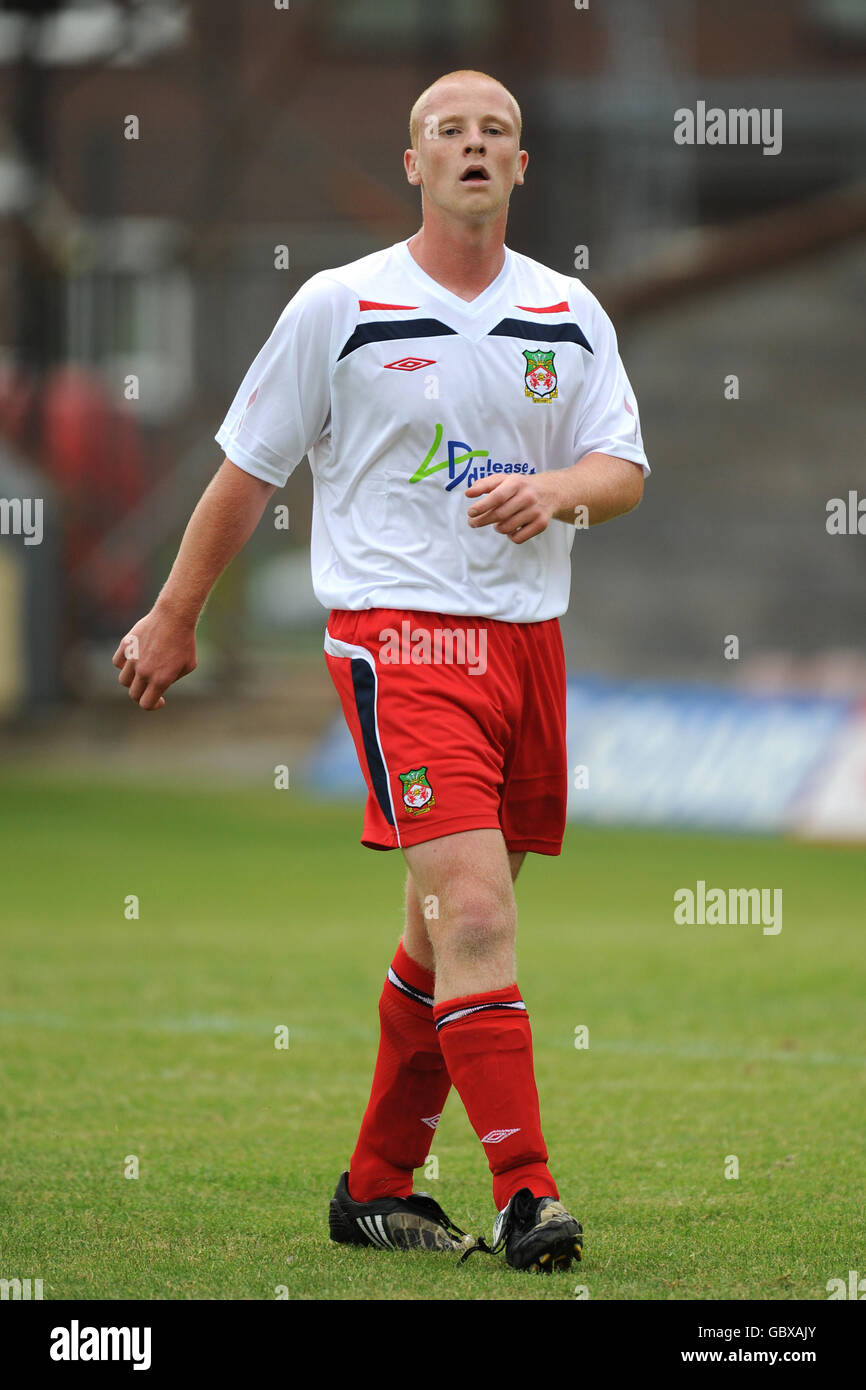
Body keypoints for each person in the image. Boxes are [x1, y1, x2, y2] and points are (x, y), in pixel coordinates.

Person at [113, 69, 649, 1274]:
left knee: (437, 934)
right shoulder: (337, 304)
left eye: (494, 131)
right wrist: (173, 613)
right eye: (446, 131)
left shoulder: (567, 312)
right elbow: (246, 470)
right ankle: (527, 1194)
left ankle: (372, 1185)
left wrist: (556, 489)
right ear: (412, 164)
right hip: (398, 640)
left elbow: (620, 469)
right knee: (473, 910)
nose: (471, 145)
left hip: (528, 648)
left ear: (521, 166)